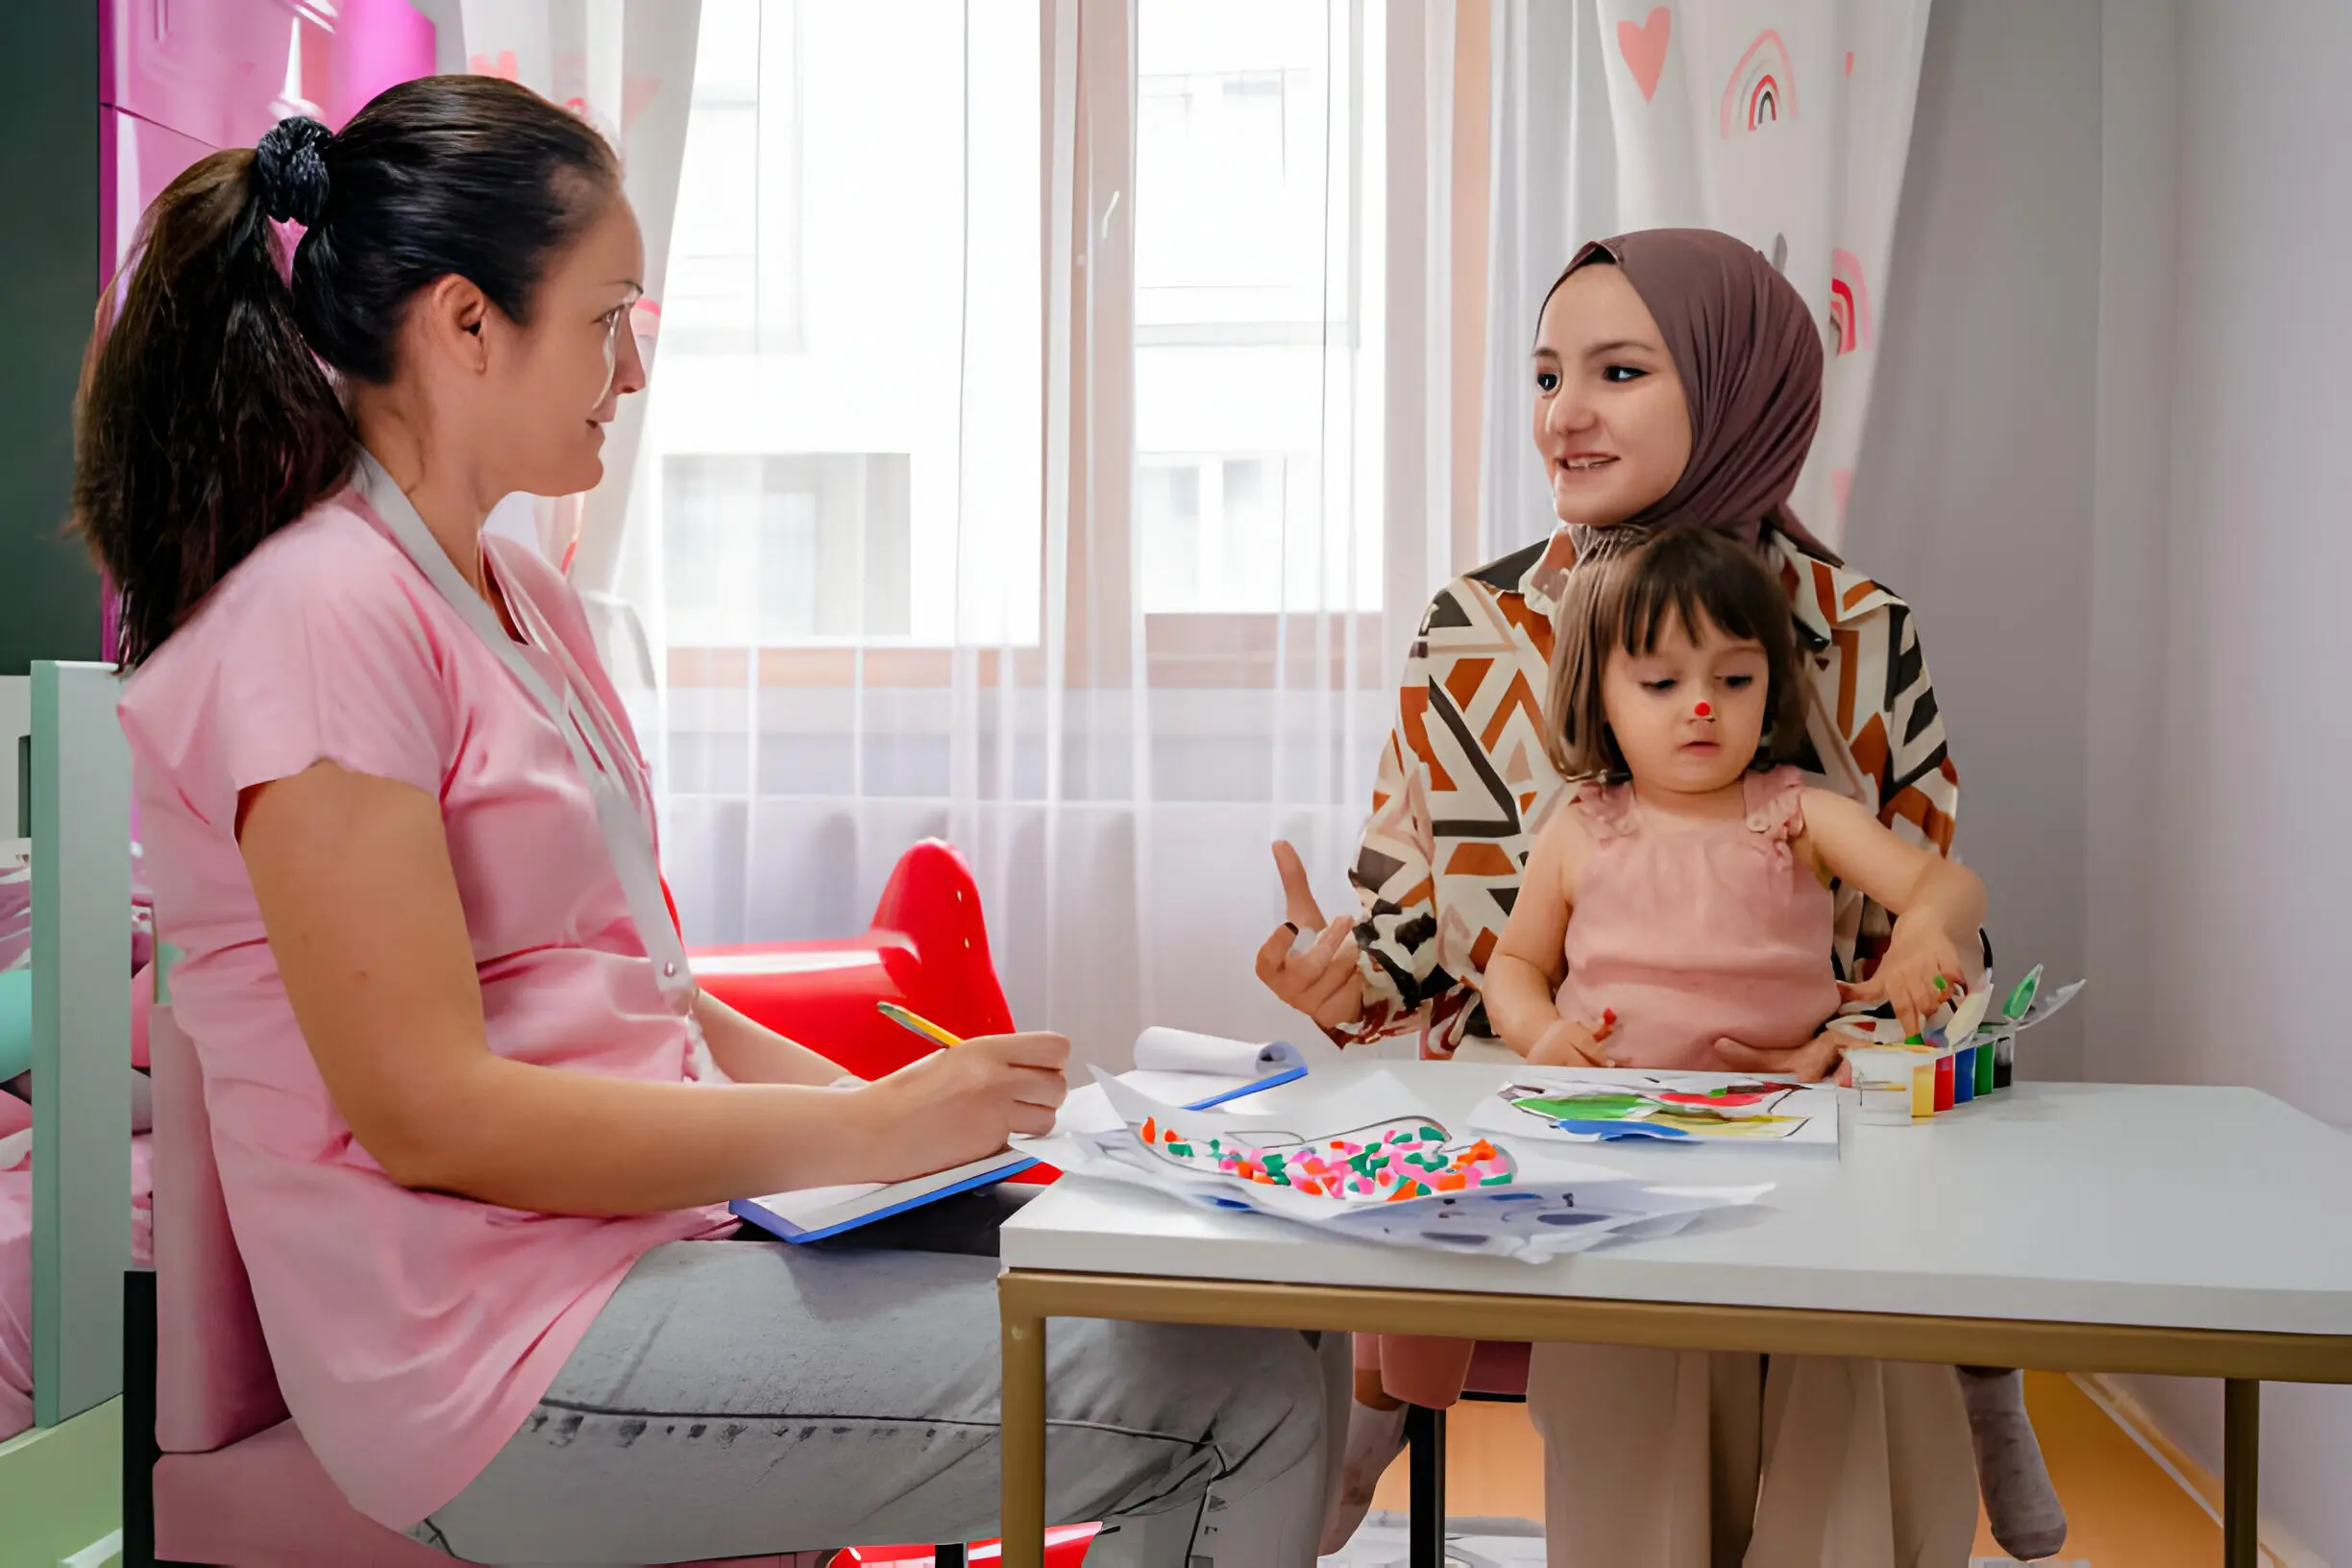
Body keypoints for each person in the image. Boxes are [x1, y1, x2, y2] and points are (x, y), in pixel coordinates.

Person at [80, 78, 1339, 1566]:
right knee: (1239, 1398)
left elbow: (651, 1002)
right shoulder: (316, 617)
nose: (629, 370)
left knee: (1241, 1309)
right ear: (466, 324)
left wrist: (950, 1146)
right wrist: (862, 1124)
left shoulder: (518, 599)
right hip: (488, 1353)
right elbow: (425, 1109)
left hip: (637, 1261)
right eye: (608, 319)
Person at [1262, 231, 2066, 1561]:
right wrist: (1338, 980)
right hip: (1578, 1112)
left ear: (1738, 384)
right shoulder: (1473, 629)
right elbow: (1419, 938)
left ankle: (1960, 1397)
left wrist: (1839, 1045)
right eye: (1543, 376)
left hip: (1811, 1117)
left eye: (1618, 371)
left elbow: (1928, 930)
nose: (1562, 416)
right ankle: (1388, 1407)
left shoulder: (1860, 628)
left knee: (1847, 1373)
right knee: (1646, 1390)